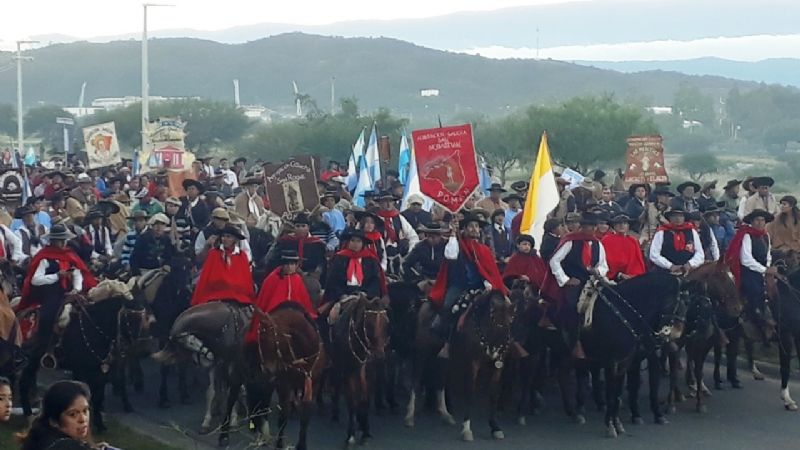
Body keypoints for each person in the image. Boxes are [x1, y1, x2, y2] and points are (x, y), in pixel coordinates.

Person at [16, 225, 98, 414]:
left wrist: (76, 289)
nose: (62, 243)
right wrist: (56, 276)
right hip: (51, 294)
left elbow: (78, 273)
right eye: (59, 239)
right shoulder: (44, 257)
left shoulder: (70, 255)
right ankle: (44, 347)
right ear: (53, 240)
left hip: (69, 293)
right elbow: (35, 280)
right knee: (50, 316)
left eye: (64, 239)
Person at [428, 213, 508, 357]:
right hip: (459, 285)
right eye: (471, 226)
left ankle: (505, 342)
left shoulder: (484, 249)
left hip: (480, 287)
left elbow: (487, 271)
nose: (474, 229)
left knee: (503, 308)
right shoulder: (457, 244)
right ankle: (447, 342)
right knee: (449, 306)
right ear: (464, 229)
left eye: (476, 226)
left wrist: (488, 283)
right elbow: (450, 256)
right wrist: (453, 234)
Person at [549, 211, 609, 359]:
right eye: (587, 226)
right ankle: (574, 340)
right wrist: (565, 279)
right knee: (573, 306)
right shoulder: (570, 241)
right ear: (581, 227)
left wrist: (598, 272)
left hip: (592, 281)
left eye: (592, 226)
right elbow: (554, 261)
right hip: (575, 281)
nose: (590, 229)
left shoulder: (597, 244)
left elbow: (604, 265)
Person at [724, 209, 777, 340]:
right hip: (748, 271)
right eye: (757, 220)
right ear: (752, 222)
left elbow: (768, 254)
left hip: (763, 269)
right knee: (755, 291)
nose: (760, 223)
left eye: (762, 220)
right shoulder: (746, 235)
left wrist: (768, 267)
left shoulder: (765, 235)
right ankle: (755, 320)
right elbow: (746, 259)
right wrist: (763, 270)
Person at [17, 380, 107, 450]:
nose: (83, 419)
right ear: (53, 421)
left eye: (85, 410)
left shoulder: (40, 439)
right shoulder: (63, 446)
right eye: (73, 414)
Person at [249, 249, 316, 336]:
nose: (289, 267)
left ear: (296, 266)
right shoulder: (272, 279)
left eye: (292, 264)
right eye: (286, 264)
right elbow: (264, 302)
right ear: (282, 265)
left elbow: (304, 304)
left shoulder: (297, 279)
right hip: (275, 316)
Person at [191, 225, 255, 307]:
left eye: (229, 237)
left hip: (237, 294)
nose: (225, 239)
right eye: (223, 236)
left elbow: (245, 279)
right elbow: (205, 276)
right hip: (215, 293)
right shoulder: (213, 253)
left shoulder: (242, 256)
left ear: (235, 239)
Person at [323, 229, 386, 304]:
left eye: (358, 241)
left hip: (365, 295)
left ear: (363, 243)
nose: (355, 244)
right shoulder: (339, 258)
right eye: (353, 240)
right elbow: (333, 279)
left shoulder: (371, 259)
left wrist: (367, 294)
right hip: (343, 295)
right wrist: (342, 295)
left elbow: (375, 280)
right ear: (348, 242)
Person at [648, 207, 705, 274]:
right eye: (674, 216)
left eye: (680, 216)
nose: (678, 218)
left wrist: (690, 264)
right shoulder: (661, 232)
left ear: (684, 218)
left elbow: (700, 254)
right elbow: (654, 254)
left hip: (689, 272)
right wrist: (670, 266)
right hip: (665, 272)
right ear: (670, 218)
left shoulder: (692, 231)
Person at [375, 191, 419, 276]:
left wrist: (409, 254)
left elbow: (413, 236)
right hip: (380, 257)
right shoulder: (375, 219)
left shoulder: (399, 218)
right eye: (385, 201)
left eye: (390, 201)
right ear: (380, 203)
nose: (388, 204)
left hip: (399, 257)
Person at [601, 214, 646, 281]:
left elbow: (637, 262)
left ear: (628, 226)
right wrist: (619, 274)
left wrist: (633, 275)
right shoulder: (607, 240)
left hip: (632, 277)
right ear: (614, 226)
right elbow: (606, 261)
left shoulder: (633, 241)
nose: (621, 225)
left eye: (624, 223)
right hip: (612, 278)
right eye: (619, 223)